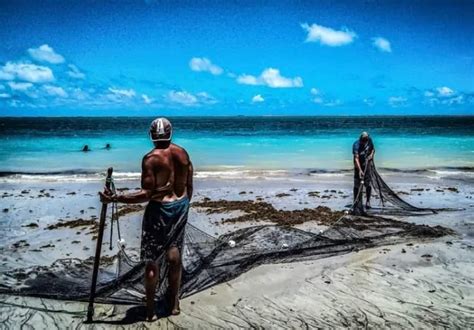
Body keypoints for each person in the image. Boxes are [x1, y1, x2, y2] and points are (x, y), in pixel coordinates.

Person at [100, 117, 193, 321]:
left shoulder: (151, 159)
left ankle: (150, 311)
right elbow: (189, 184)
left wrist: (116, 197)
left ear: (151, 135)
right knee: (174, 254)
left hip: (159, 210)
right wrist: (184, 206)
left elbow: (146, 194)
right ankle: (174, 304)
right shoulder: (183, 154)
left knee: (152, 261)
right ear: (171, 133)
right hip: (180, 206)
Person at [352, 131, 375, 211]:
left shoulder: (369, 141)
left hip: (367, 166)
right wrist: (360, 170)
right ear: (360, 139)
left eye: (366, 140)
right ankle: (356, 202)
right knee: (357, 185)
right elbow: (356, 158)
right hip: (358, 166)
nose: (364, 142)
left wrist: (371, 155)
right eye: (363, 140)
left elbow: (373, 149)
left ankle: (368, 201)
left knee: (368, 184)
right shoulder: (356, 145)